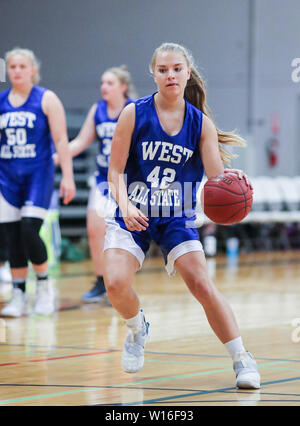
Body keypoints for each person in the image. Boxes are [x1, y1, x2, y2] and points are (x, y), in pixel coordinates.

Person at [103, 42, 261, 389]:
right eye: (163, 70)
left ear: (187, 72)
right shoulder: (134, 113)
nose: (170, 75)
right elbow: (114, 172)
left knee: (202, 284)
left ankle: (241, 358)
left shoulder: (199, 123)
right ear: (154, 74)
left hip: (176, 217)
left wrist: (231, 194)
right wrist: (126, 206)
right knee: (114, 283)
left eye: (176, 68)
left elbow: (217, 181)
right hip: (134, 213)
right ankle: (136, 328)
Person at [0, 48, 76, 317]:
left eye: (22, 66)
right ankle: (18, 294)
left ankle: (44, 287)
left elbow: (61, 140)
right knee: (11, 237)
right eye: (12, 66)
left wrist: (67, 176)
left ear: (32, 69)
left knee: (29, 230)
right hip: (7, 176)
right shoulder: (1, 101)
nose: (17, 71)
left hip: (37, 175)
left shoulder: (46, 98)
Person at [55, 66, 135, 303]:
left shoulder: (133, 109)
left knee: (127, 234)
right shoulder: (97, 110)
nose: (104, 87)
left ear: (122, 87)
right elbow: (80, 141)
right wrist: (57, 155)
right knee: (94, 229)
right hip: (103, 179)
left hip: (129, 181)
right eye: (102, 82)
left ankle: (121, 283)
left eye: (109, 83)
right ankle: (101, 282)